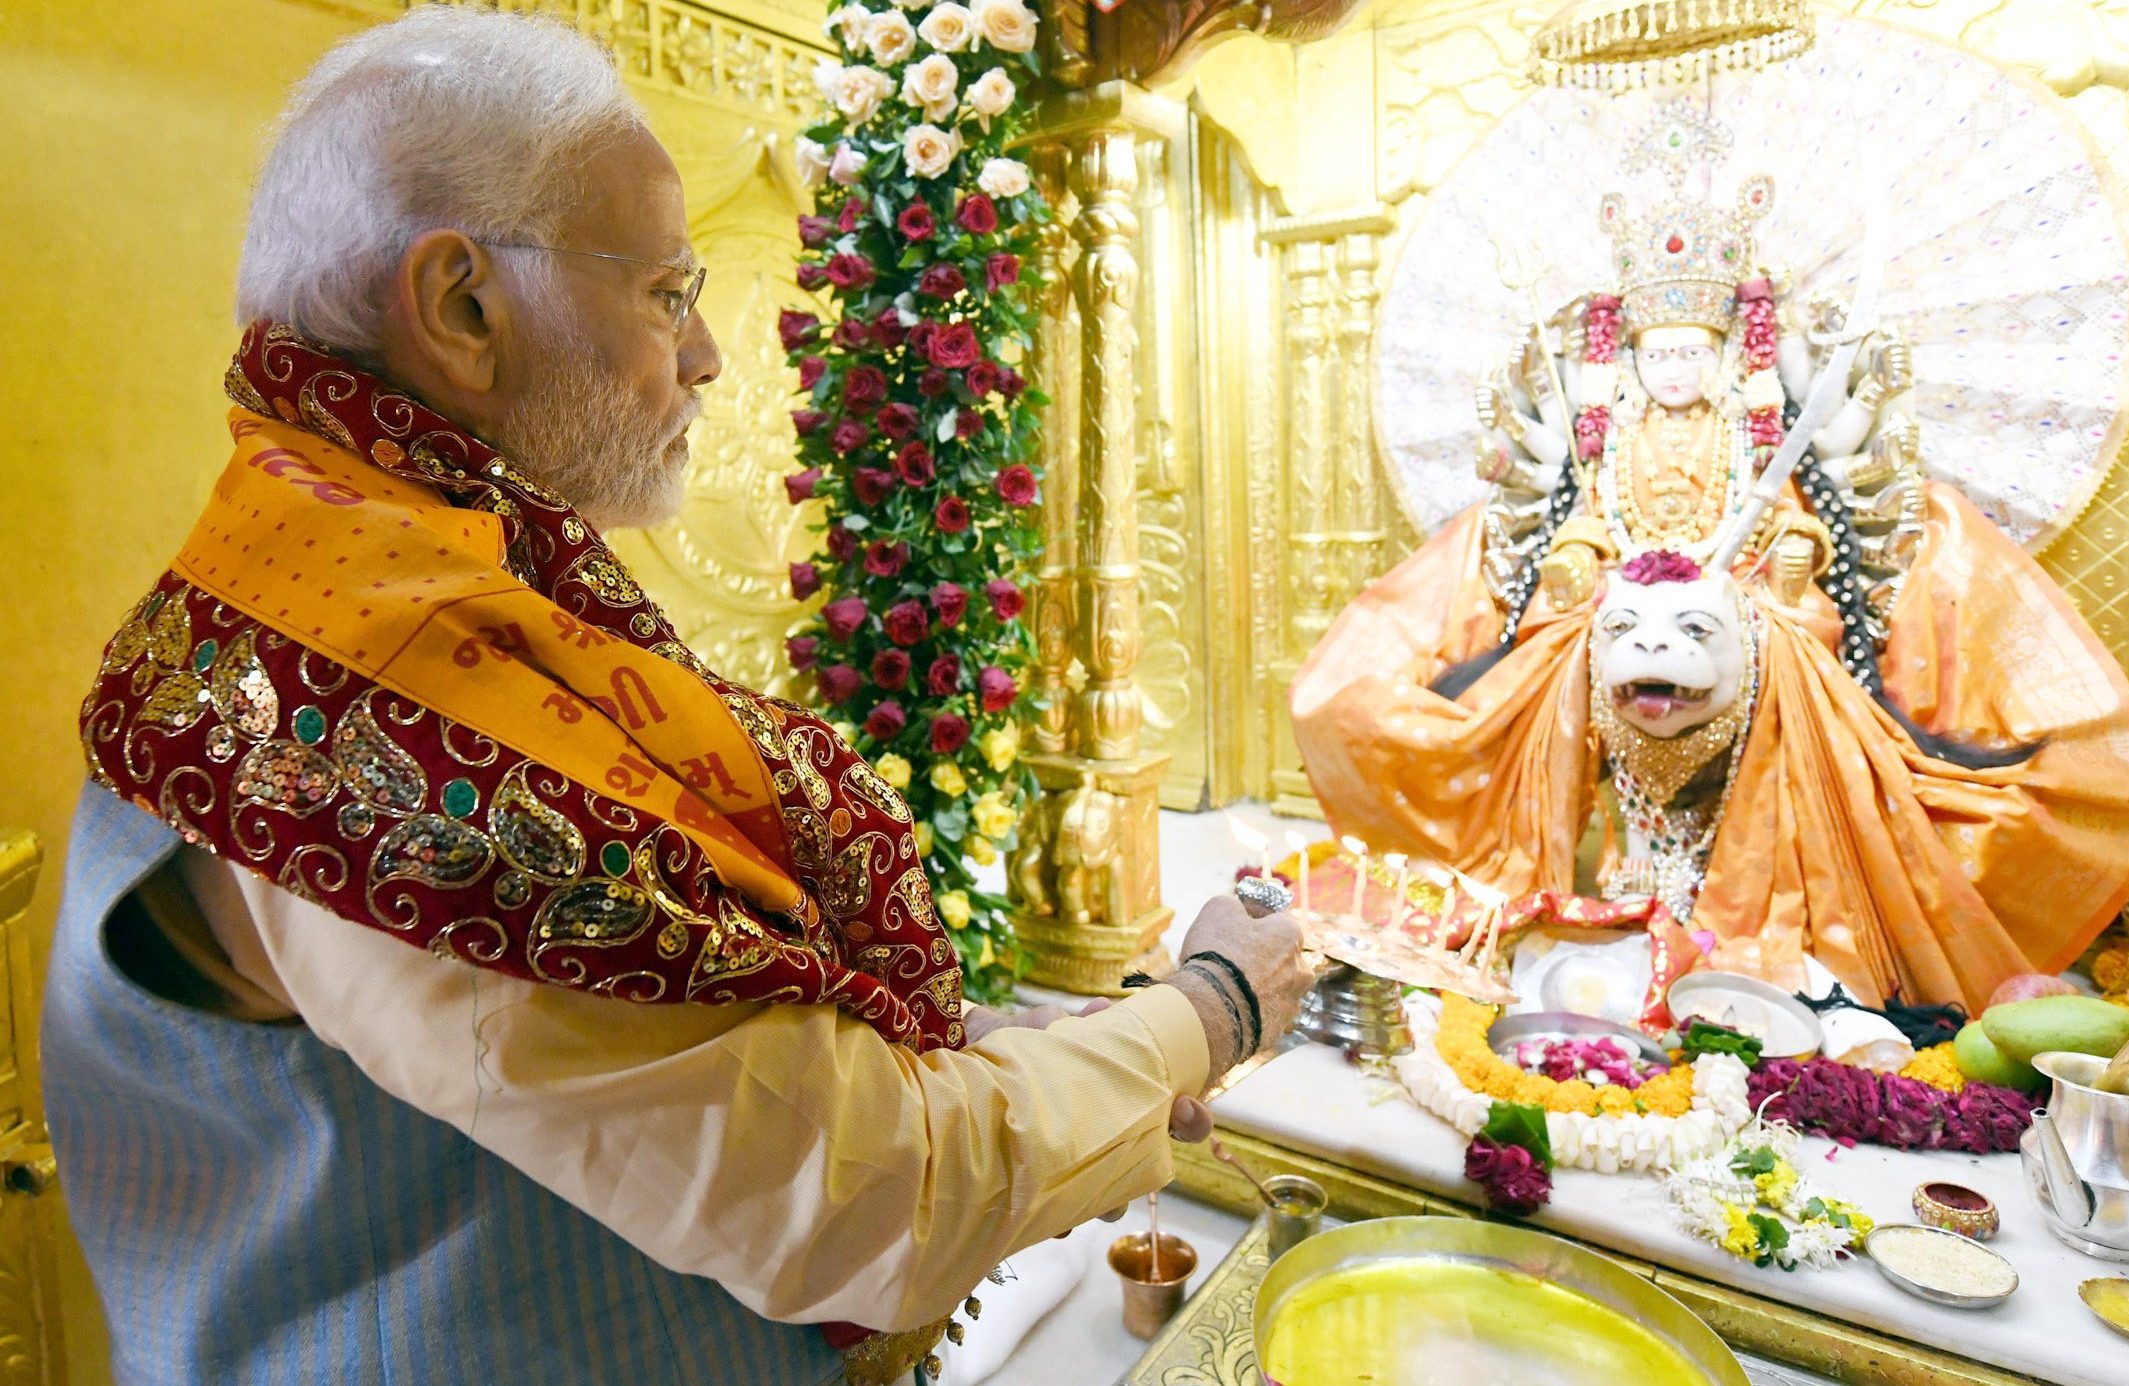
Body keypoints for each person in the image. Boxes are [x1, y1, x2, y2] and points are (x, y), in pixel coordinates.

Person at [47, 10, 1312, 1384]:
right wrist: (1210, 1009)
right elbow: (859, 1194)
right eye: (666, 290)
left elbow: (651, 1046)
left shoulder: (349, 577)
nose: (707, 352)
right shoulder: (363, 715)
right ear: (463, 306)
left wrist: (964, 1044)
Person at [1292, 142, 2129, 1014]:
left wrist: (1788, 559)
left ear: (1718, 357)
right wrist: (1573, 559)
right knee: (1548, 668)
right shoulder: (1618, 434)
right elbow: (1592, 510)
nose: (1673, 373)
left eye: (1689, 356)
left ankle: (1775, 882)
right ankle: (1538, 866)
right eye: (1656, 357)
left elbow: (1789, 513)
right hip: (1620, 600)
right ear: (1631, 362)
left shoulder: (1747, 431)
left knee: (1787, 659)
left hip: (1743, 596)